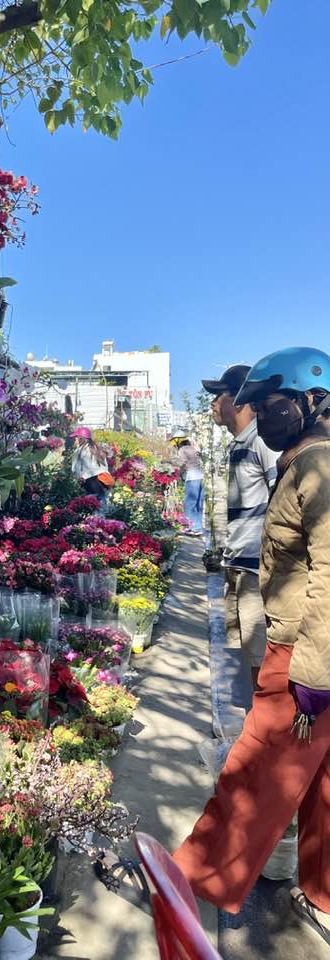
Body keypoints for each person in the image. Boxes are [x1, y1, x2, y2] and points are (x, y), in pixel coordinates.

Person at [173, 347, 330, 941]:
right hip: (313, 651)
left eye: (272, 404)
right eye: (257, 404)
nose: (262, 414)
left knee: (257, 771)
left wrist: (313, 672)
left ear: (310, 403)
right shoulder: (305, 460)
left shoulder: (318, 466)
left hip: (306, 655)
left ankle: (192, 884)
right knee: (321, 786)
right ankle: (322, 896)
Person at [202, 364, 279, 690]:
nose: (212, 404)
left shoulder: (264, 441)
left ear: (241, 399)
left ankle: (266, 731)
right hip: (238, 562)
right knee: (248, 651)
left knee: (262, 653)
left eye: (218, 396)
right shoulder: (239, 444)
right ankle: (257, 723)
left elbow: (283, 500)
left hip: (256, 566)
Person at [169, 428, 204, 535]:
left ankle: (191, 527)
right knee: (198, 504)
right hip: (201, 477)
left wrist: (174, 469)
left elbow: (182, 464)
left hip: (192, 477)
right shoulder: (193, 449)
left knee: (190, 504)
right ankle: (198, 527)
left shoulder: (182, 450)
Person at [70, 426, 110, 497]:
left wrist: (78, 479)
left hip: (90, 484)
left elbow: (75, 470)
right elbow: (105, 466)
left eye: (76, 437)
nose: (74, 440)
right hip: (104, 481)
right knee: (104, 504)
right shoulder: (97, 449)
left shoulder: (78, 451)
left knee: (91, 505)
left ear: (81, 438)